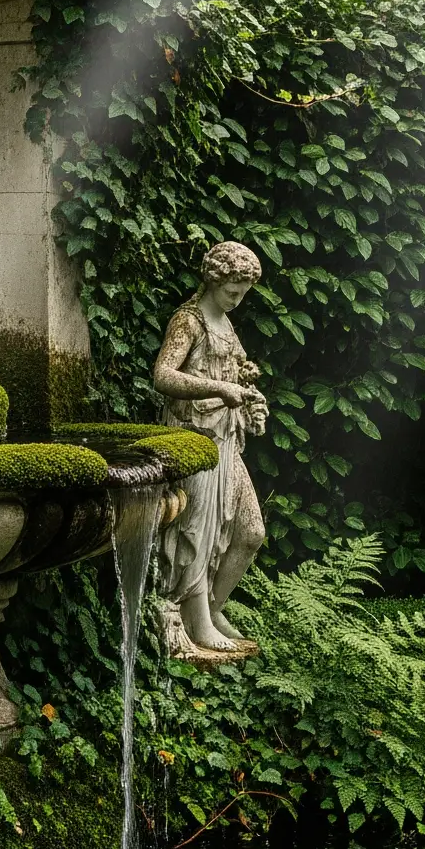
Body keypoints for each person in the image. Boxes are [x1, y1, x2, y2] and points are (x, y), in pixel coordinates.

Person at [153, 238, 268, 662]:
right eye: (232, 290)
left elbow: (236, 377)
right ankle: (193, 616)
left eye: (243, 292)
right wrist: (220, 388)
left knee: (250, 532)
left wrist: (251, 401)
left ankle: (212, 609)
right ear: (214, 280)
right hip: (194, 439)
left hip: (226, 441)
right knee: (196, 531)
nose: (238, 299)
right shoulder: (189, 321)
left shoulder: (226, 323)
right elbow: (163, 375)